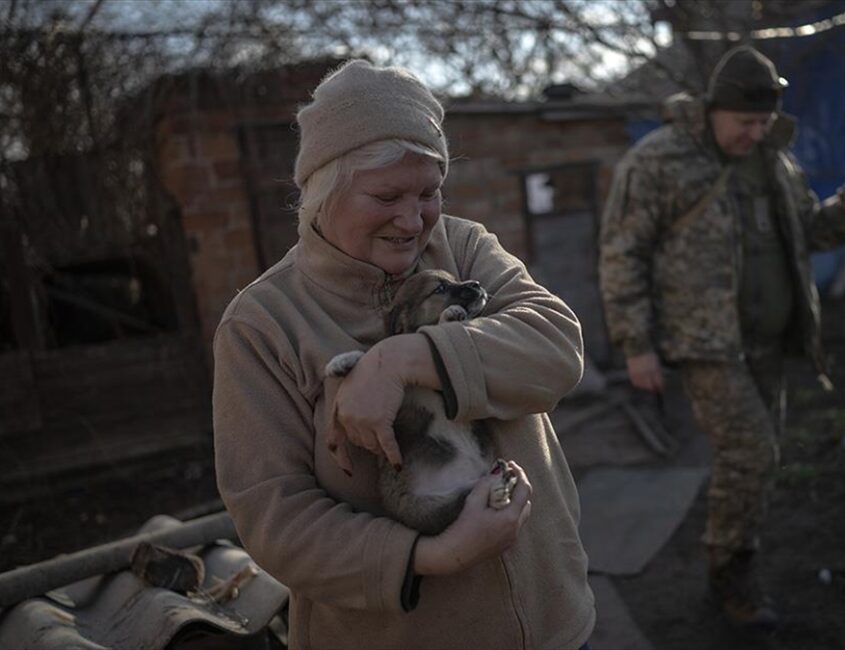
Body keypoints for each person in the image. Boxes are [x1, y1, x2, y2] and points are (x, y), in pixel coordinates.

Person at [213, 60, 595, 649]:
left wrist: (402, 360)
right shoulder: (262, 326)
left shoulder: (463, 248)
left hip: (554, 623)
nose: (414, 219)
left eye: (429, 192)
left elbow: (554, 345)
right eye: (386, 195)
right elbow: (274, 516)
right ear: (320, 192)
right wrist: (432, 555)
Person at [599, 45, 845, 626]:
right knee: (752, 451)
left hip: (770, 341)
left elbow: (801, 237)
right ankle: (730, 575)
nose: (756, 132)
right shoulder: (658, 162)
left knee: (756, 459)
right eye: (746, 122)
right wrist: (636, 342)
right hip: (708, 344)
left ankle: (736, 552)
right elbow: (623, 253)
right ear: (713, 110)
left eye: (764, 122)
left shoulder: (774, 160)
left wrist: (841, 217)